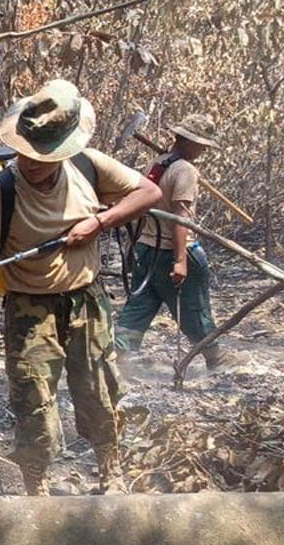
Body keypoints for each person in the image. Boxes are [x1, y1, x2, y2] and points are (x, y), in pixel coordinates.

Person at [0, 79, 161, 494]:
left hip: (86, 301)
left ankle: (111, 472)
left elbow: (149, 191)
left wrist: (99, 222)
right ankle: (35, 486)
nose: (30, 162)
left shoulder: (88, 167)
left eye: (42, 157)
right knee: (33, 401)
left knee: (98, 390)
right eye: (25, 152)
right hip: (29, 310)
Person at [114, 114, 234, 370]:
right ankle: (215, 358)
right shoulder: (185, 170)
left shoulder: (155, 165)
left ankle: (119, 359)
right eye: (201, 145)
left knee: (139, 306)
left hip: (146, 249)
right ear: (188, 141)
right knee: (194, 309)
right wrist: (181, 261)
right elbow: (180, 217)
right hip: (174, 250)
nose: (203, 150)